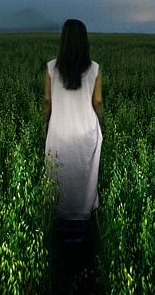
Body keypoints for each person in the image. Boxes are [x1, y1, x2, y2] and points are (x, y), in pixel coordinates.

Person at [43, 18, 103, 220]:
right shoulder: (94, 68)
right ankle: (84, 216)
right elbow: (98, 102)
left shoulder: (51, 67)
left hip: (59, 130)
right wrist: (100, 124)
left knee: (58, 175)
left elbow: (46, 101)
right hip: (86, 130)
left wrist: (46, 123)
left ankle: (59, 217)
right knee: (85, 176)